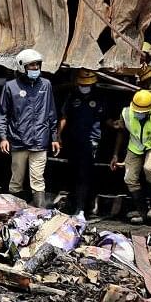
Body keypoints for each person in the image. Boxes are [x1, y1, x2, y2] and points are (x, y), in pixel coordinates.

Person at [0, 49, 60, 207]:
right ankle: (13, 212)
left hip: (40, 141)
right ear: (22, 67)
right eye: (31, 65)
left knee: (38, 179)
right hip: (18, 141)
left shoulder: (46, 85)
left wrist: (54, 138)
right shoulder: (11, 87)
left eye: (37, 65)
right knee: (16, 180)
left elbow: (51, 112)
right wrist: (3, 137)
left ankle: (39, 212)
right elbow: (2, 113)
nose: (35, 68)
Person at [110, 89, 151, 223]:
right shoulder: (126, 113)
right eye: (137, 112)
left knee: (149, 168)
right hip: (135, 146)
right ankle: (143, 212)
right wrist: (115, 155)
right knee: (129, 178)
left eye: (142, 113)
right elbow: (121, 133)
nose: (139, 114)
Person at [58, 69, 107, 215]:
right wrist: (57, 135)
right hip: (73, 139)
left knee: (84, 173)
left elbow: (105, 118)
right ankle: (74, 205)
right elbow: (64, 116)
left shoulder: (99, 97)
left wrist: (116, 124)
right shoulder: (72, 96)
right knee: (72, 172)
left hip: (92, 140)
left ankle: (81, 208)